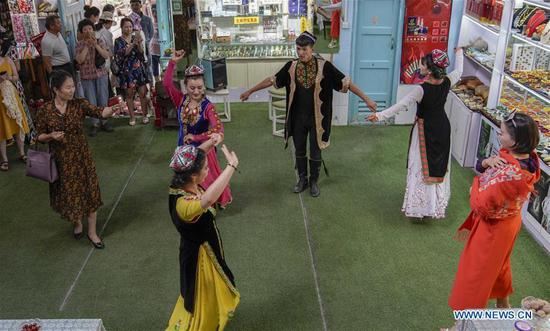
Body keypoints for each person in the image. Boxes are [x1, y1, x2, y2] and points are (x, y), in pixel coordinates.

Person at [241, 31, 377, 197]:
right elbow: (272, 80)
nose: (301, 53)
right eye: (298, 49)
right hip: (298, 118)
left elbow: (346, 83)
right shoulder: (291, 67)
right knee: (299, 150)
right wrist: (250, 90)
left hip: (318, 120)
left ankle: (313, 182)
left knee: (315, 151)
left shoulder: (325, 66)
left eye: (304, 49)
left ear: (312, 48)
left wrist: (367, 99)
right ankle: (302, 180)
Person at [442, 112, 541, 331]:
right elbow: (482, 167)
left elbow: (480, 204)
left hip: (492, 229)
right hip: (508, 224)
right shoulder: (528, 158)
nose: (498, 132)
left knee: (474, 277)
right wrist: (486, 162)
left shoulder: (510, 173)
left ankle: (461, 326)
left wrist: (473, 188)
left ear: (514, 141)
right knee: (498, 266)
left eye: (503, 132)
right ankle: (503, 307)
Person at [368, 48, 463, 219]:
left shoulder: (421, 89)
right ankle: (434, 205)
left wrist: (379, 115)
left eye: (423, 63)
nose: (420, 65)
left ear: (429, 69)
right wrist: (459, 53)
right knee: (438, 167)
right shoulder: (447, 82)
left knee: (420, 166)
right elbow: (460, 71)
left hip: (424, 130)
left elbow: (401, 105)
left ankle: (421, 207)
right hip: (442, 128)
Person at [35, 70, 114, 249]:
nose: (72, 90)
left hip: (82, 157)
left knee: (90, 192)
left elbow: (100, 112)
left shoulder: (79, 104)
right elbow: (37, 136)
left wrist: (112, 109)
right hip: (61, 161)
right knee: (70, 196)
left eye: (73, 86)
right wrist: (50, 136)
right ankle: (77, 223)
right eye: (68, 87)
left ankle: (92, 232)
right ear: (56, 89)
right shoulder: (45, 111)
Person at [166, 139, 240, 331]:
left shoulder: (181, 181)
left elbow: (195, 153)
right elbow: (208, 199)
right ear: (192, 176)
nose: (208, 171)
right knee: (203, 294)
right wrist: (231, 166)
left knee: (210, 292)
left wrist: (211, 141)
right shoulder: (184, 206)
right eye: (205, 168)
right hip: (200, 258)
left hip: (204, 246)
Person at [163, 50, 232, 208]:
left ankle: (207, 202)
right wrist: (172, 63)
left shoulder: (208, 107)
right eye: (192, 88)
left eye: (199, 87)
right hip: (183, 148)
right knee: (186, 180)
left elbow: (218, 129)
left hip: (202, 151)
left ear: (204, 86)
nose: (196, 91)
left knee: (205, 179)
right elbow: (167, 84)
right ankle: (191, 202)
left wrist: (197, 138)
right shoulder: (180, 100)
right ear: (185, 87)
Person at [75, 19, 113, 137]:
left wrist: (95, 44)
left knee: (103, 98)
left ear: (93, 30)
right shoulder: (79, 44)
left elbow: (106, 55)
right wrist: (87, 45)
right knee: (91, 101)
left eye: (90, 28)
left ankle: (104, 121)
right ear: (81, 32)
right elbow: (79, 60)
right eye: (85, 29)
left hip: (100, 75)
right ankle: (95, 124)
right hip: (87, 76)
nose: (88, 31)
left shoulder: (100, 40)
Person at [114, 17, 149, 126]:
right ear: (122, 28)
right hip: (127, 71)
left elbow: (142, 53)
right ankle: (132, 117)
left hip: (138, 70)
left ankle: (144, 115)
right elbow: (123, 54)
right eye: (126, 27)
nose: (128, 29)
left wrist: (138, 44)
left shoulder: (136, 37)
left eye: (130, 27)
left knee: (143, 93)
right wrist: (133, 43)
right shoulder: (118, 41)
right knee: (129, 95)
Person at [0, 43, 30, 171]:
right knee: (1, 128)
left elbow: (16, 77)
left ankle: (22, 153)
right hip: (0, 101)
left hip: (11, 96)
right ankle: (4, 159)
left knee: (18, 125)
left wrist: (8, 77)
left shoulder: (8, 60)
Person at [130, 0, 154, 80]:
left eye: (136, 5)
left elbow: (151, 33)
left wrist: (145, 42)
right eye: (132, 5)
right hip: (133, 48)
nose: (134, 7)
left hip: (146, 47)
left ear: (140, 5)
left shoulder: (147, 19)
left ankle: (151, 87)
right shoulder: (128, 20)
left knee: (148, 67)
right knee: (135, 68)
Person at [97, 11, 116, 98]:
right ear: (108, 22)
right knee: (106, 82)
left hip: (96, 62)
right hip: (105, 59)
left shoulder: (95, 29)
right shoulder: (107, 33)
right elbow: (111, 51)